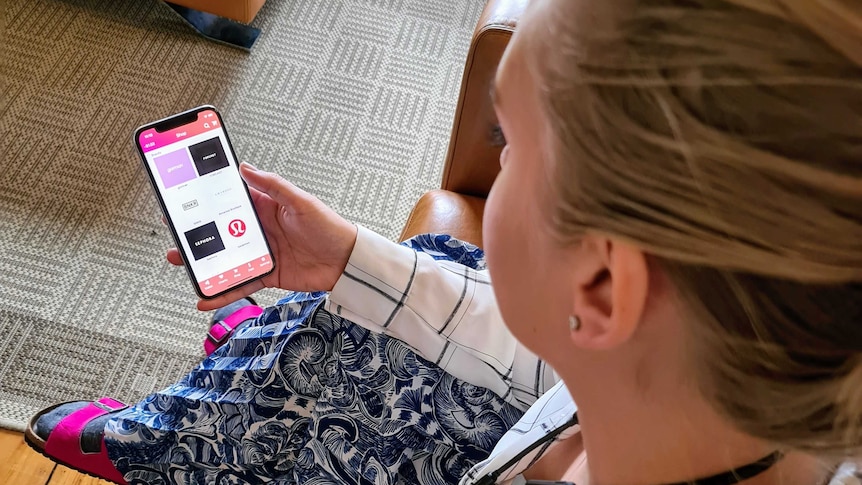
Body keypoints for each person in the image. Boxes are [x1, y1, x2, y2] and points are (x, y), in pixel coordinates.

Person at [24, 0, 862, 483]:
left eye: (509, 142)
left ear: (604, 286)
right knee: (381, 291)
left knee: (315, 373)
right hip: (521, 414)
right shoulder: (724, 381)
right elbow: (549, 362)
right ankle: (234, 365)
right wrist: (348, 257)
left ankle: (171, 439)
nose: (493, 160)